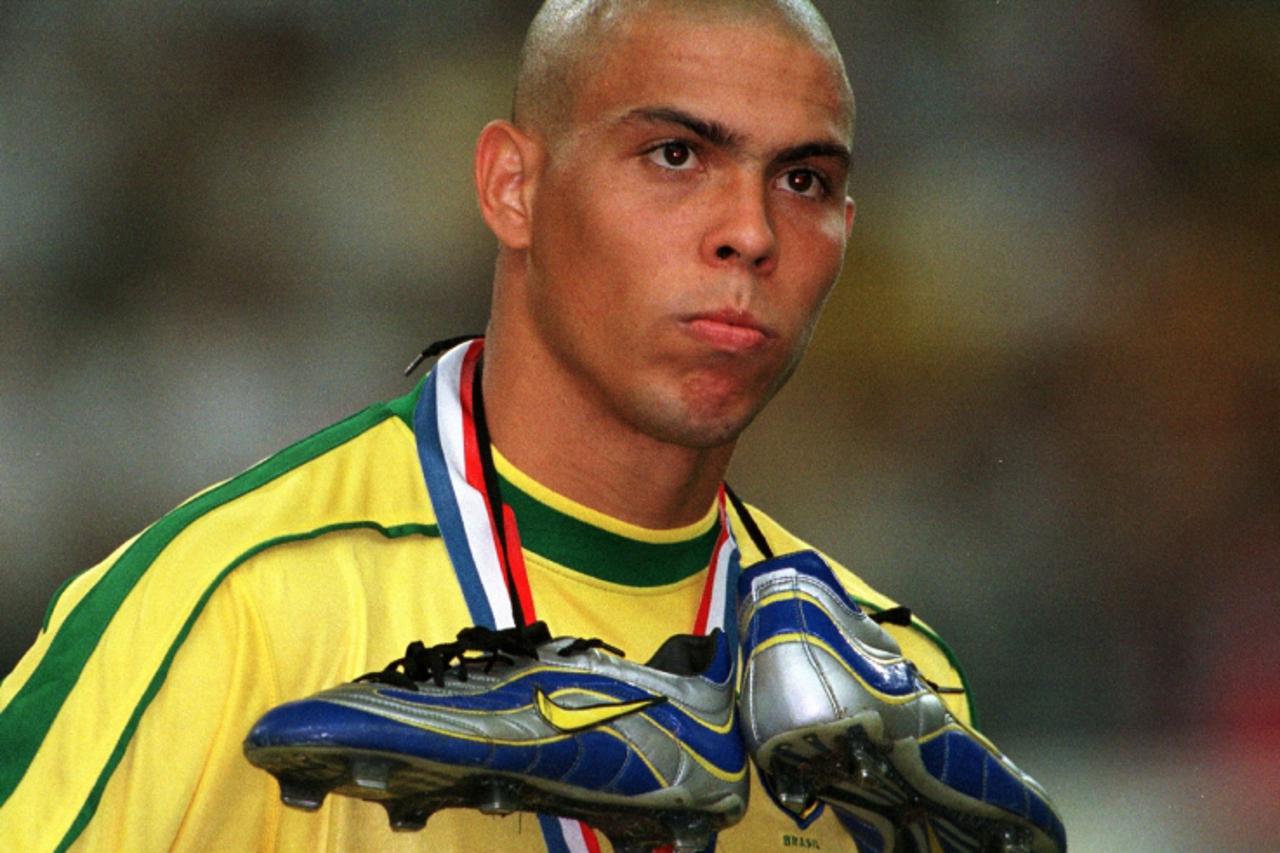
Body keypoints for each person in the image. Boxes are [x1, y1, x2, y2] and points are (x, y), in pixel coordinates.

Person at [0, 2, 1030, 850]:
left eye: (803, 180)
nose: (751, 232)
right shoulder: (237, 607)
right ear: (512, 186)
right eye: (676, 154)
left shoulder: (892, 691)